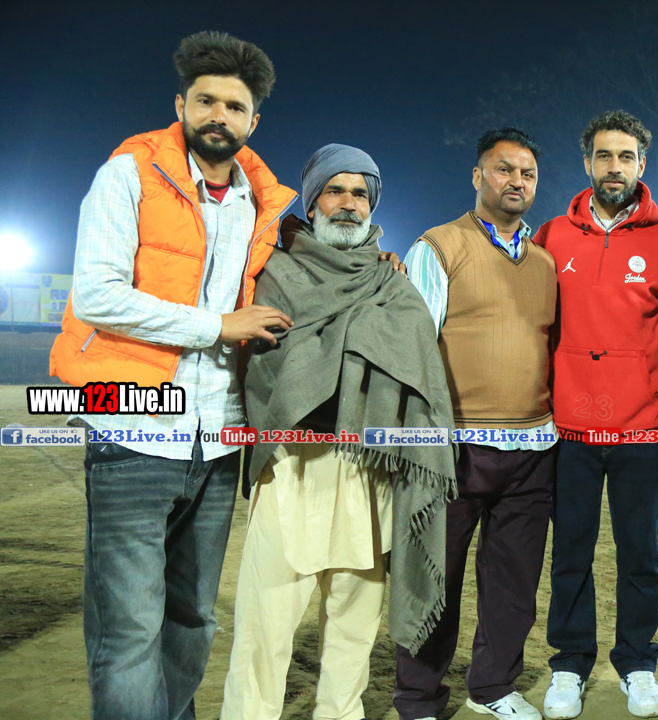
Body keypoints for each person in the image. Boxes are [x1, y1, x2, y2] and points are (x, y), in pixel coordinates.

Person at [47, 32, 295, 720]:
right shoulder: (127, 175)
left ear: (253, 122)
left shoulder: (260, 201)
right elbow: (97, 295)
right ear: (180, 105)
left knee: (193, 620)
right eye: (206, 101)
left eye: (234, 106)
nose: (219, 115)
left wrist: (378, 260)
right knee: (128, 631)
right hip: (132, 432)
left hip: (218, 442)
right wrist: (218, 326)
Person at [220, 144, 456, 720]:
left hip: (369, 473)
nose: (348, 204)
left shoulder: (391, 282)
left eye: (359, 194)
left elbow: (419, 366)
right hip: (290, 466)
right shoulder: (274, 273)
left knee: (354, 627)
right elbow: (268, 372)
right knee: (264, 626)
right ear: (312, 202)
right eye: (335, 191)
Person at [531, 110, 658, 719]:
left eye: (626, 157)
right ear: (587, 163)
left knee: (639, 554)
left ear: (641, 164)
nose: (615, 167)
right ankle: (570, 665)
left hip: (640, 431)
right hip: (570, 429)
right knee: (570, 552)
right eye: (604, 156)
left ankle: (637, 663)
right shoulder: (553, 235)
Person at [394, 128, 558, 720]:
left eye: (527, 174)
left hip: (534, 446)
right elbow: (412, 350)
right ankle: (418, 697)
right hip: (454, 447)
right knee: (434, 577)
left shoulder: (545, 261)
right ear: (477, 176)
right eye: (503, 169)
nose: (516, 181)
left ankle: (493, 688)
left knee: (514, 581)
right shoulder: (438, 246)